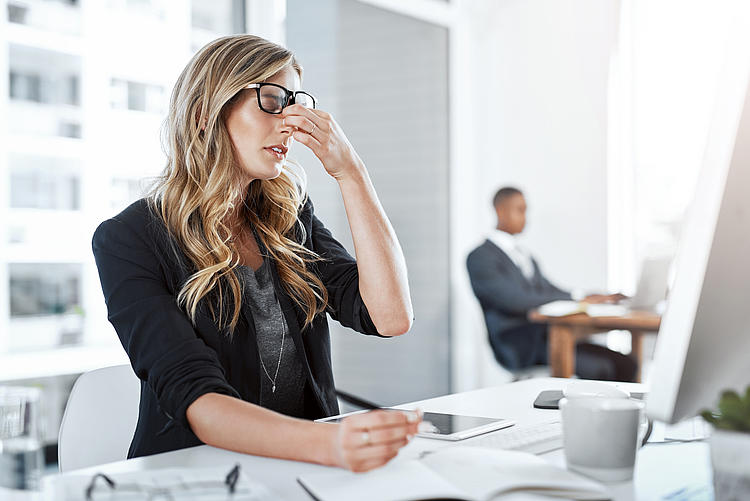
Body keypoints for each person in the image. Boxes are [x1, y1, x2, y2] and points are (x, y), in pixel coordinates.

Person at [92, 35, 420, 473]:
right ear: (205, 113)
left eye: (295, 104)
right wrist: (326, 441)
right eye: (271, 99)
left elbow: (390, 316)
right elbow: (198, 399)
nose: (290, 123)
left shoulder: (289, 219)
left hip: (302, 467)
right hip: (196, 477)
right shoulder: (128, 238)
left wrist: (351, 173)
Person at [466, 187, 636, 381]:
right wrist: (580, 302)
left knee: (626, 363)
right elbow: (516, 300)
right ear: (500, 211)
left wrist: (584, 296)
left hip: (548, 335)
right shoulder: (481, 258)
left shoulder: (524, 254)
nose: (525, 218)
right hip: (520, 343)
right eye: (519, 210)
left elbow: (548, 289)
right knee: (600, 368)